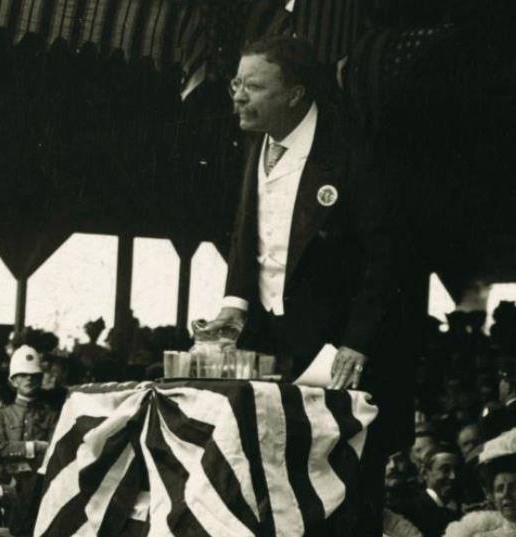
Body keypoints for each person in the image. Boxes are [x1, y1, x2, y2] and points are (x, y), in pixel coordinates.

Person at [201, 35, 409, 535]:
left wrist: (358, 342)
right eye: (235, 83)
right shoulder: (251, 145)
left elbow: (387, 256)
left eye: (253, 86)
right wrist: (234, 305)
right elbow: (244, 233)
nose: (238, 96)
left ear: (294, 95)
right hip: (270, 343)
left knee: (341, 491)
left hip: (338, 348)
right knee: (269, 482)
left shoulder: (353, 151)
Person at [0, 345, 57, 479]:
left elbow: (53, 448)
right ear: (13, 381)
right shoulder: (0, 413)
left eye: (33, 375)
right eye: (23, 375)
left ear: (40, 379)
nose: (29, 379)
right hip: (6, 478)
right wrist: (35, 447)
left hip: (39, 479)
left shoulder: (50, 414)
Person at [390, 443, 463, 537]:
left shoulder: (462, 510)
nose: (453, 477)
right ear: (425, 473)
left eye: (456, 470)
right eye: (445, 470)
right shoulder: (408, 511)